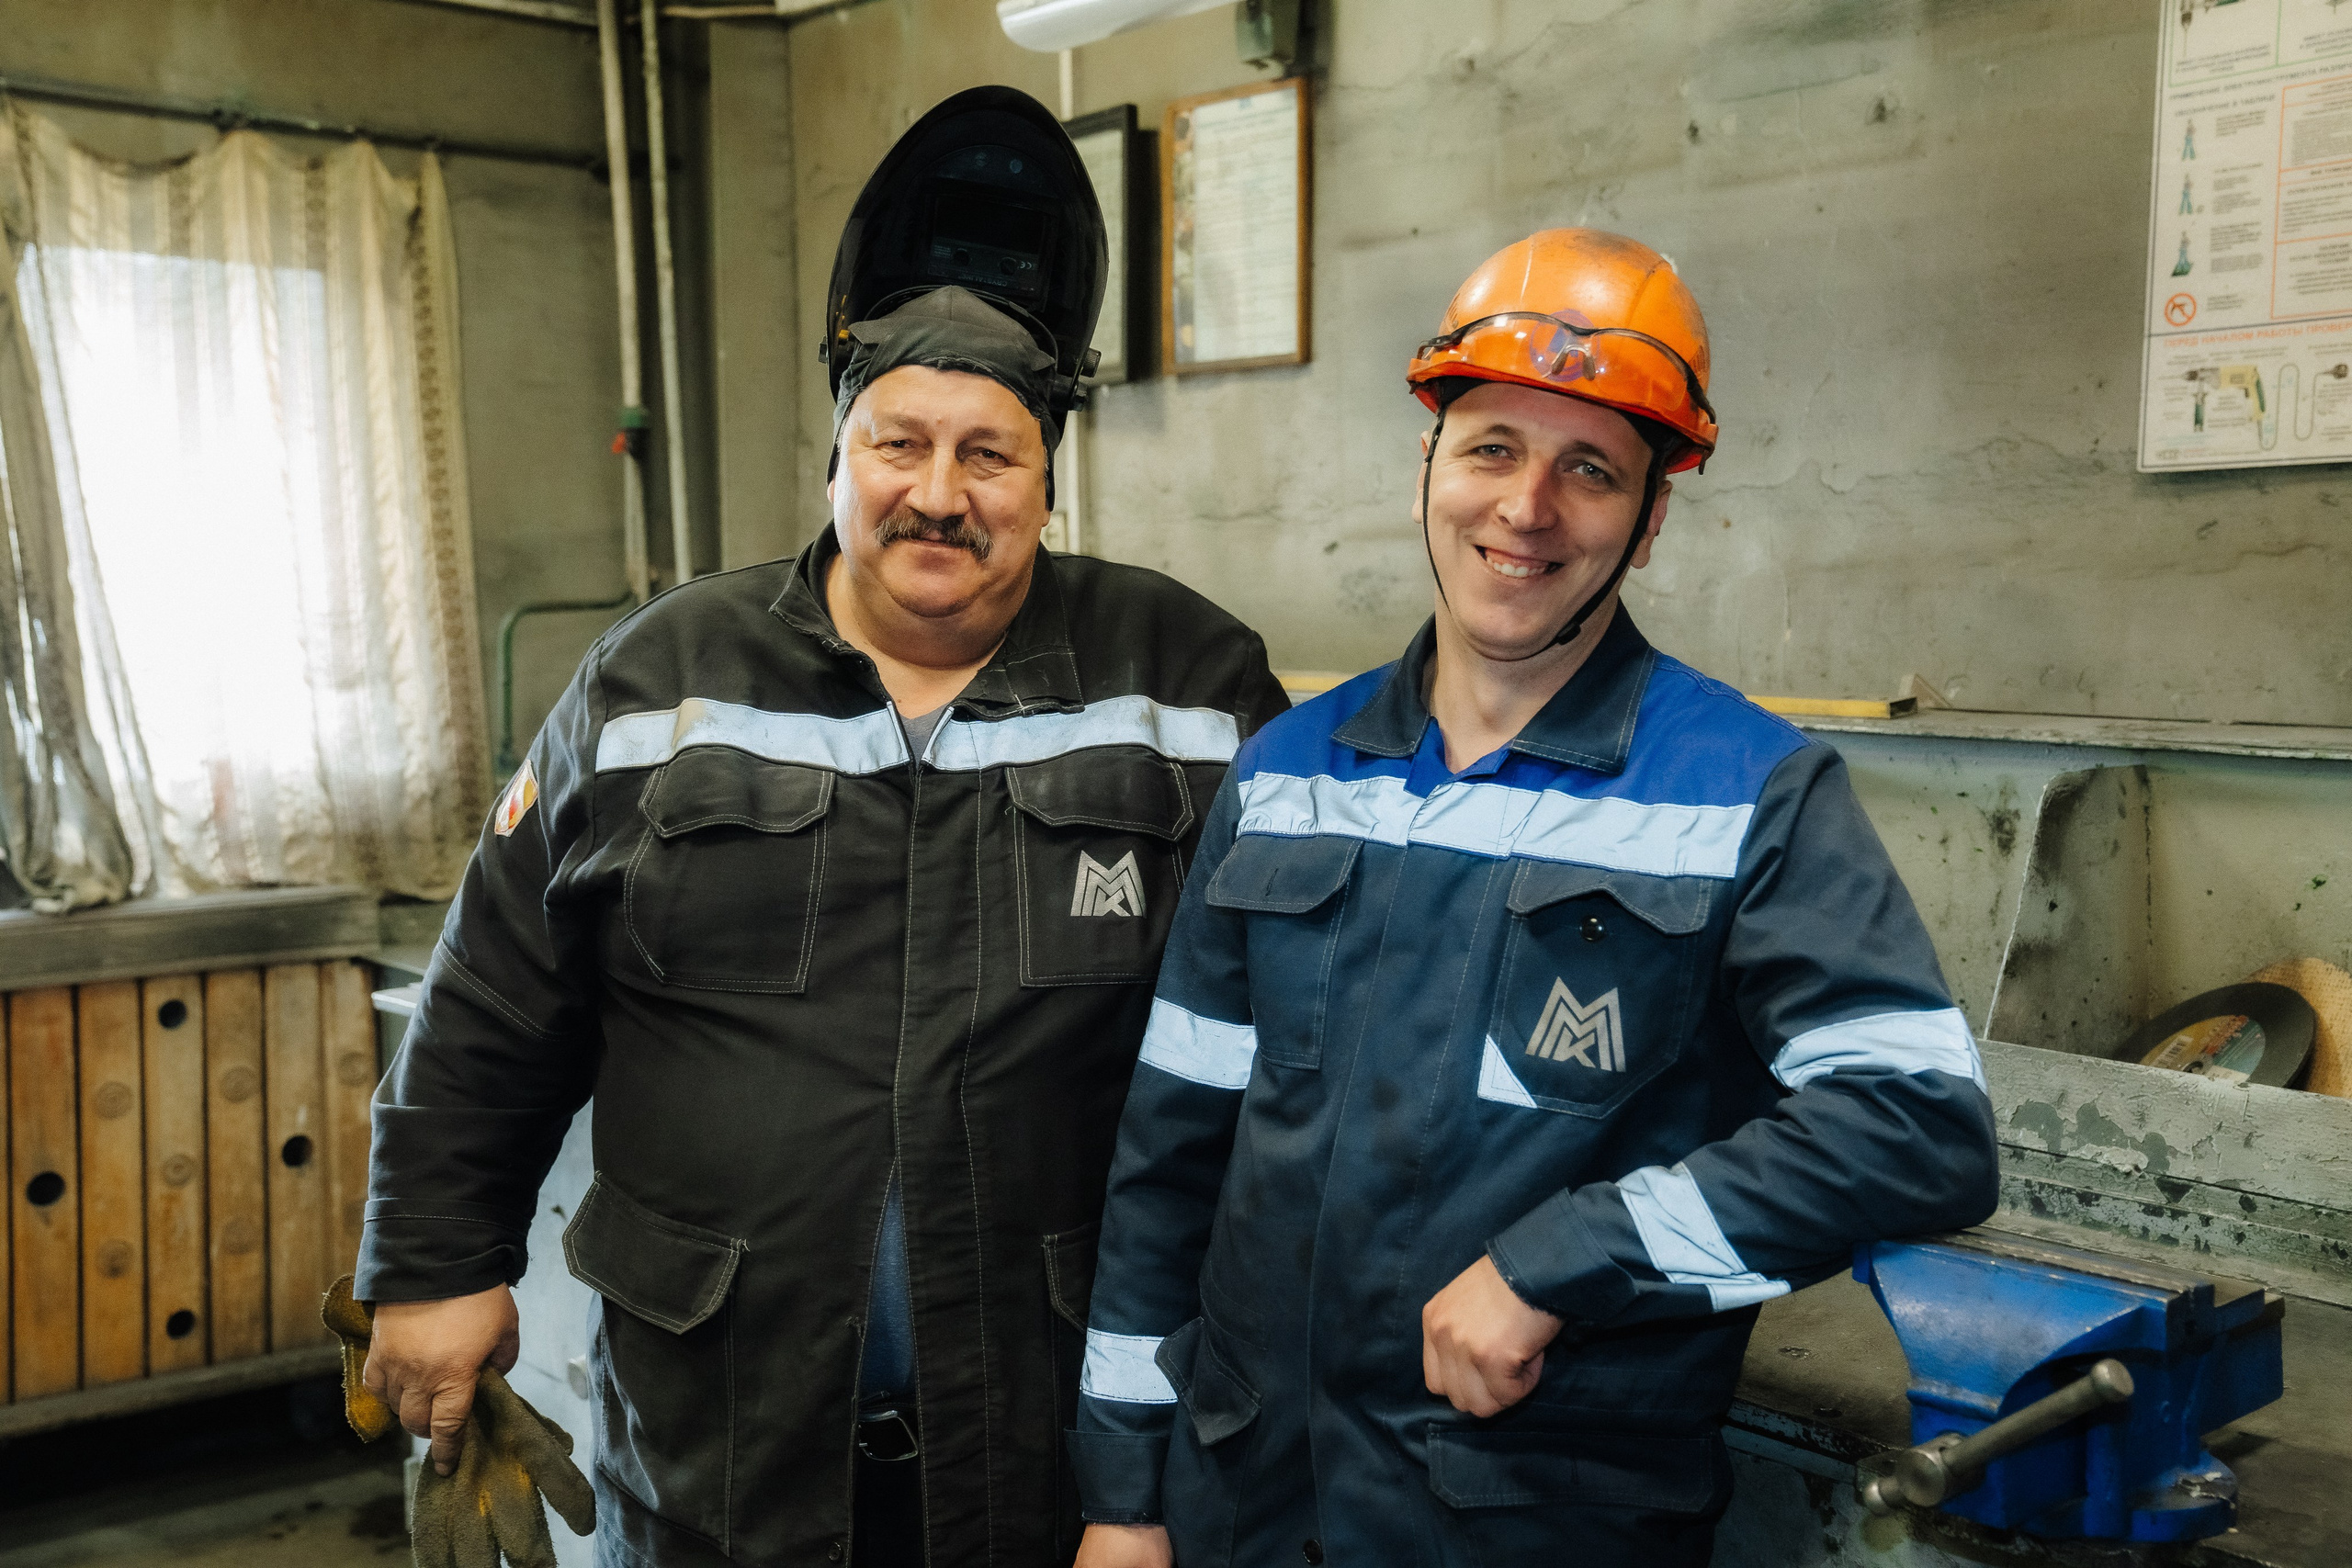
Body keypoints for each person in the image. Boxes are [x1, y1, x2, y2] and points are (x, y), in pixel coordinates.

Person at [356, 87, 1289, 1568]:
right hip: (718, 1429)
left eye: (989, 454)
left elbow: (1289, 1039)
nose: (938, 493)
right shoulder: (661, 678)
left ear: (1051, 476)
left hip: (1057, 1432)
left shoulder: (1186, 682)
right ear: (836, 456)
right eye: (897, 444)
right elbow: (494, 997)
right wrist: (431, 1264)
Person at [1069, 229, 2001, 1568]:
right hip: (1244, 1504)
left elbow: (1918, 1127)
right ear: (1428, 472)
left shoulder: (1745, 789)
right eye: (1493, 448)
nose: (1528, 509)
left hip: (1527, 1525)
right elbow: (1170, 1159)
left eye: (1592, 470)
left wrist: (1562, 1259)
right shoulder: (1287, 772)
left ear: (1650, 518)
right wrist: (1122, 1493)